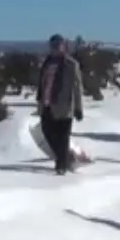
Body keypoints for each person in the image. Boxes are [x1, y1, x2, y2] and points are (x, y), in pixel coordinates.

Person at [36, 34, 85, 175]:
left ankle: (61, 165)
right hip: (47, 104)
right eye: (53, 45)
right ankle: (65, 158)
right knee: (47, 132)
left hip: (64, 106)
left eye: (59, 45)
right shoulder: (46, 63)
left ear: (64, 46)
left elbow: (77, 88)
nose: (56, 48)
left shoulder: (71, 64)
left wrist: (78, 108)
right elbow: (42, 84)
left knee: (63, 137)